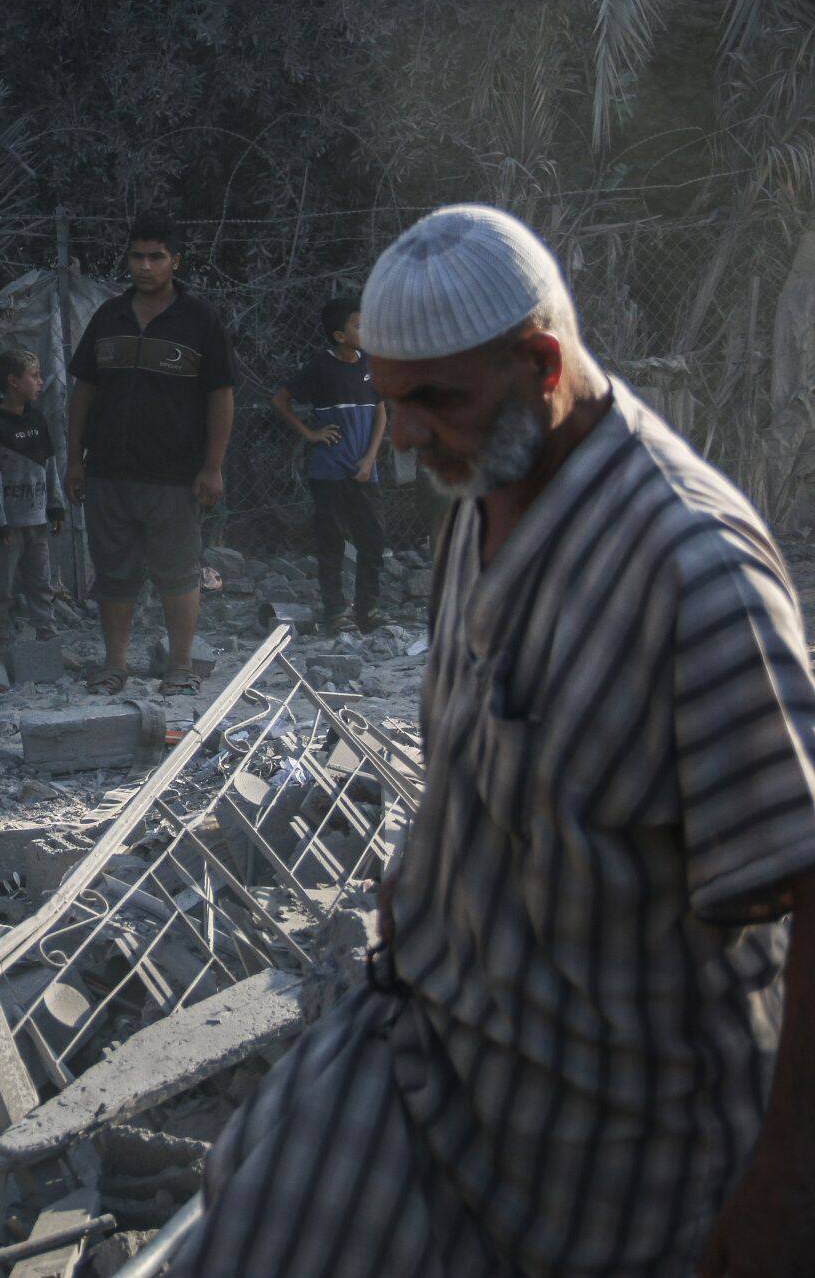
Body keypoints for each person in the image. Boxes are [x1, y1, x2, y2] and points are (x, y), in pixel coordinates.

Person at [168, 204, 815, 1278]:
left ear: (539, 361)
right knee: (249, 1220)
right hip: (433, 1055)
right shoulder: (480, 492)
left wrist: (779, 1201)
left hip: (614, 1149)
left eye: (432, 400)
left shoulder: (691, 574)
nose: (405, 431)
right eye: (387, 399)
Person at [65, 213, 234, 698]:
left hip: (174, 474)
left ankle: (179, 665)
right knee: (114, 574)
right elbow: (84, 392)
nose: (145, 266)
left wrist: (212, 466)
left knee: (177, 571)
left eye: (156, 257)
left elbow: (220, 396)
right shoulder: (108, 316)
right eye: (137, 256)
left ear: (175, 261)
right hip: (109, 472)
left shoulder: (200, 320)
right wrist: (75, 460)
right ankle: (114, 665)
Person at [270, 293, 388, 633]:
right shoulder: (320, 368)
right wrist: (310, 433)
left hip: (366, 472)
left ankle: (369, 610)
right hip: (329, 472)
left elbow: (381, 413)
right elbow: (280, 400)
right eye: (359, 325)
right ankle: (336, 612)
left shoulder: (370, 365)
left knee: (373, 541)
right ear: (339, 336)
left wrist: (369, 459)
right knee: (331, 541)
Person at [0, 349, 65, 653]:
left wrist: (55, 506)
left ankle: (48, 643)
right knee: (1, 588)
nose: (40, 382)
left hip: (37, 520)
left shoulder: (37, 419)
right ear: (14, 382)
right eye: (34, 376)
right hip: (9, 527)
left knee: (41, 584)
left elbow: (49, 464)